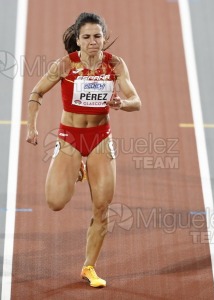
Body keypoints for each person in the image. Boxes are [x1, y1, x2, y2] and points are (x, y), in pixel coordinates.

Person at [26, 12, 141, 288]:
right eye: (87, 37)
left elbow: (136, 100)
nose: (93, 42)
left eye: (98, 36)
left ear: (104, 38)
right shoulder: (65, 65)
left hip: (100, 137)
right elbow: (36, 93)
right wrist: (32, 127)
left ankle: (89, 267)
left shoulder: (115, 64)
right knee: (55, 202)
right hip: (70, 136)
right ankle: (76, 164)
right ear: (77, 40)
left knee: (102, 207)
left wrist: (120, 104)